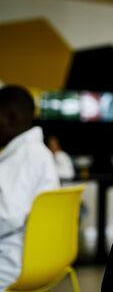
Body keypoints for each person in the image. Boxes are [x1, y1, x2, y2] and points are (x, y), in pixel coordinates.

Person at [0, 86, 60, 289]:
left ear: (12, 118)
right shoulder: (36, 152)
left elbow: (6, 216)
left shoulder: (25, 156)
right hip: (39, 258)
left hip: (11, 263)